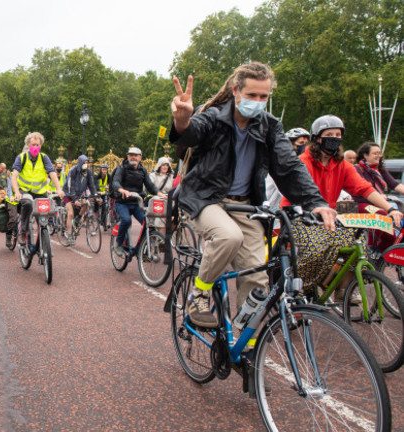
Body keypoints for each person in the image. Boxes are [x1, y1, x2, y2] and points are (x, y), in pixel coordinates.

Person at [170, 61, 336, 329]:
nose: (258, 102)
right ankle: (198, 295)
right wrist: (182, 119)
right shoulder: (214, 116)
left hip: (244, 205)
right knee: (228, 236)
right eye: (251, 95)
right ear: (235, 90)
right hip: (205, 198)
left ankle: (245, 341)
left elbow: (289, 166)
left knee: (258, 276)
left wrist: (316, 203)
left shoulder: (270, 126)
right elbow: (190, 134)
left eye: (263, 97)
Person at [281, 116, 404, 301]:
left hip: (329, 217)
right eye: (329, 134)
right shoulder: (303, 161)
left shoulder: (342, 165)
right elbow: (296, 192)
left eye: (338, 134)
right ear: (317, 138)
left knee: (357, 244)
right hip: (299, 214)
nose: (334, 138)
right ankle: (297, 288)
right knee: (316, 248)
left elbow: (364, 188)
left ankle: (342, 289)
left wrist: (389, 209)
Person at [11, 132, 64, 244]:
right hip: (24, 190)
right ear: (28, 145)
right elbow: (14, 176)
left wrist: (59, 189)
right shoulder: (21, 157)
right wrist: (16, 192)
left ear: (40, 146)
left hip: (40, 192)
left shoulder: (44, 158)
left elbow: (52, 173)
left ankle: (43, 233)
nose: (35, 147)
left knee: (45, 210)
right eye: (33, 144)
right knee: (28, 204)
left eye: (37, 145)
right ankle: (22, 231)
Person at [112, 147, 167, 256]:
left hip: (137, 203)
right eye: (131, 155)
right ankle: (118, 243)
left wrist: (161, 195)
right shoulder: (121, 168)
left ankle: (138, 249)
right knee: (127, 220)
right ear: (127, 156)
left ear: (140, 157)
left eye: (136, 155)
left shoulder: (143, 170)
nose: (133, 157)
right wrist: (122, 190)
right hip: (122, 202)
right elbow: (115, 182)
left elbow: (150, 186)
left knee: (148, 223)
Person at [352, 141, 404, 251]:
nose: (378, 156)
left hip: (378, 203)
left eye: (379, 153)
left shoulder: (379, 169)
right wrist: (379, 196)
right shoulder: (357, 169)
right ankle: (371, 247)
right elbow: (362, 190)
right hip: (361, 204)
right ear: (365, 155)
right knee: (381, 214)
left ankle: (381, 259)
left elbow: (394, 185)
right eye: (375, 153)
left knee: (391, 237)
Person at [62, 155, 99, 244]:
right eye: (84, 163)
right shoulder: (73, 171)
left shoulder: (88, 172)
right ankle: (69, 235)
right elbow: (71, 186)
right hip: (68, 194)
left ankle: (78, 217)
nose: (86, 165)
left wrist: (95, 195)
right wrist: (75, 200)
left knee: (88, 204)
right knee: (70, 214)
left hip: (79, 194)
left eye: (87, 163)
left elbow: (91, 185)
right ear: (80, 162)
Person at [148, 157, 174, 233]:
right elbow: (150, 187)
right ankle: (161, 239)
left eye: (167, 165)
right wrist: (160, 195)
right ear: (159, 166)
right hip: (157, 199)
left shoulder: (171, 177)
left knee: (176, 216)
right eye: (163, 165)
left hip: (169, 199)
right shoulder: (153, 175)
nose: (165, 167)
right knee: (160, 217)